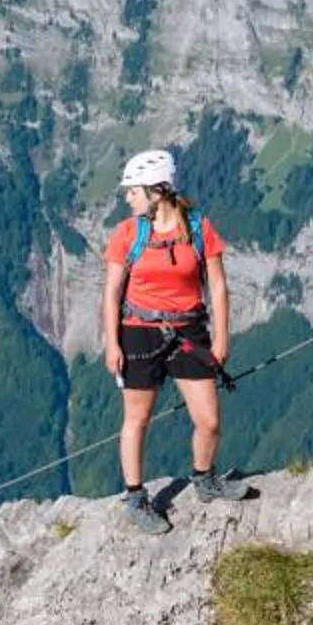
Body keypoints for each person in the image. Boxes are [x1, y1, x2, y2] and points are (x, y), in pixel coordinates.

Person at [101, 148, 242, 534]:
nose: (127, 197)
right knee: (137, 418)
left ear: (157, 190)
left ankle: (204, 479)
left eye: (133, 190)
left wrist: (222, 339)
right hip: (139, 331)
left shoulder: (197, 227)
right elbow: (112, 291)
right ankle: (135, 497)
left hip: (188, 330)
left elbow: (218, 285)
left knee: (209, 421)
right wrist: (112, 344)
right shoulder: (128, 233)